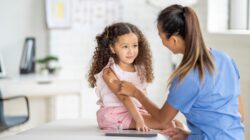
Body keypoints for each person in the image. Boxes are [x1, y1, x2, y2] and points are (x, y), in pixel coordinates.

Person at [118, 4, 245, 139]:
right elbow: (239, 115)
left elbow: (162, 120)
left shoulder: (186, 77)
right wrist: (190, 135)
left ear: (173, 40)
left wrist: (135, 92)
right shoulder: (226, 59)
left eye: (160, 36)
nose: (161, 40)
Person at [88, 22, 176, 131]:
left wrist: (150, 115)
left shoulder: (140, 69)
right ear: (112, 48)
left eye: (135, 45)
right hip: (115, 114)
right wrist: (140, 120)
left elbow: (143, 97)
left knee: (175, 123)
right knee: (169, 125)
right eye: (125, 46)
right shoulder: (109, 72)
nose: (131, 51)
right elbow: (124, 97)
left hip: (136, 111)